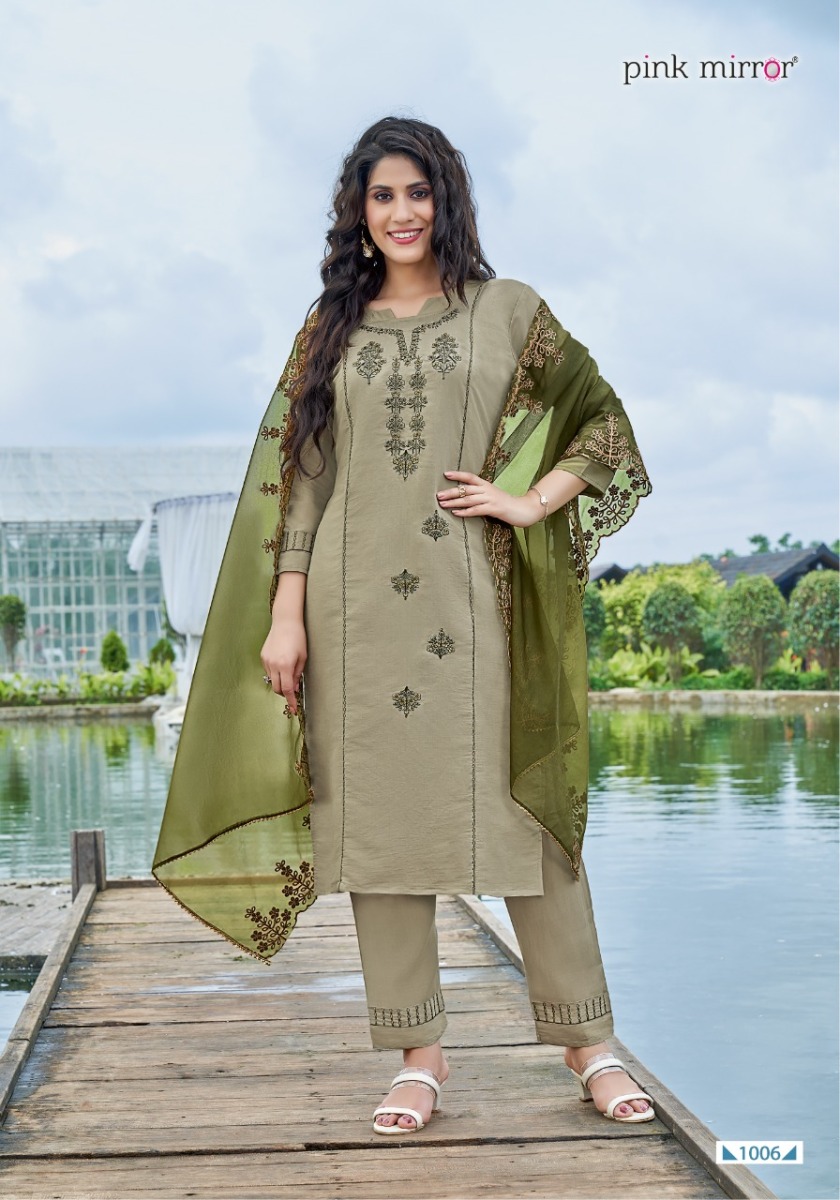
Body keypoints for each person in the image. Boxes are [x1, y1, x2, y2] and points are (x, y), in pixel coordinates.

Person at [152, 115, 653, 1136]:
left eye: (417, 192)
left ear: (447, 199)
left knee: (526, 817)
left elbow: (600, 422)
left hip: (478, 603)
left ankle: (589, 1043)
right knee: (374, 831)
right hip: (351, 611)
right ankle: (419, 1056)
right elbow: (302, 478)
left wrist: (528, 502)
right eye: (381, 196)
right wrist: (285, 613)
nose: (401, 213)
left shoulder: (508, 311)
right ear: (358, 211)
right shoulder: (330, 328)